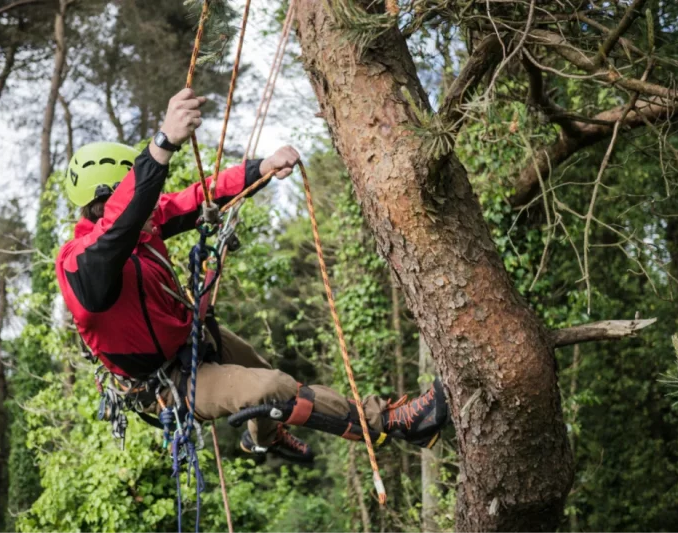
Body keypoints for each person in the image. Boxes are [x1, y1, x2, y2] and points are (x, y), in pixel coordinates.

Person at [56, 88, 448, 462]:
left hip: (189, 340)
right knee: (273, 389)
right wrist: (162, 144)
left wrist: (262, 167)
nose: (153, 208)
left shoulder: (146, 221)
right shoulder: (80, 265)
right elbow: (115, 236)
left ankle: (263, 437)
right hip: (167, 384)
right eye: (140, 200)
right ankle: (395, 424)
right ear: (106, 204)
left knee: (260, 368)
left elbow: (198, 197)